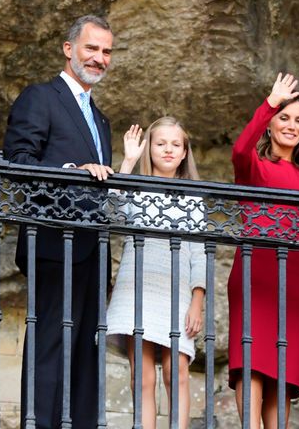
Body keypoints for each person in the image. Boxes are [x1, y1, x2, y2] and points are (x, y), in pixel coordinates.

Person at [3, 14, 114, 429]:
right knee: (50, 343)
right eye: (91, 48)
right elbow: (18, 163)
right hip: (52, 242)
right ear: (69, 49)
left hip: (92, 249)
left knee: (87, 348)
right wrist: (72, 169)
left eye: (106, 51)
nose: (99, 58)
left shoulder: (100, 119)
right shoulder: (40, 97)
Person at [227, 73, 299, 429]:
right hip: (257, 275)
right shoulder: (256, 167)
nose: (292, 126)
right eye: (285, 118)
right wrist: (269, 104)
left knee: (282, 374)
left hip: (294, 286)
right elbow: (239, 149)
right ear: (269, 125)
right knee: (252, 362)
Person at [105, 118, 206, 429]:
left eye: (176, 144)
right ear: (149, 147)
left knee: (175, 372)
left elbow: (198, 251)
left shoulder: (193, 197)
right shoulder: (135, 188)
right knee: (143, 376)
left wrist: (197, 301)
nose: (168, 149)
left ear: (185, 151)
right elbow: (111, 211)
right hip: (137, 289)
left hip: (175, 292)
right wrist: (128, 161)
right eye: (160, 143)